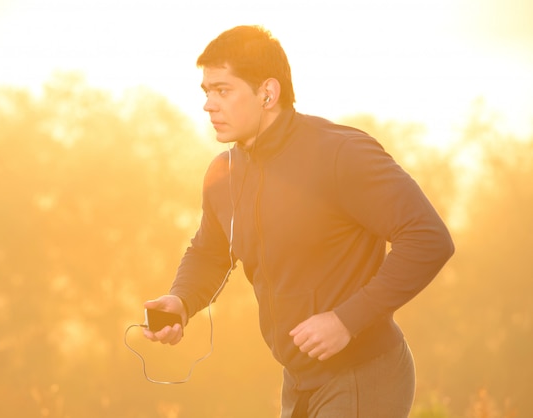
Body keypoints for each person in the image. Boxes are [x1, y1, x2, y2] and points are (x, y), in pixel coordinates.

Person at [142, 25, 455, 418]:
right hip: (297, 382)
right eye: (206, 92)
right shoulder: (224, 174)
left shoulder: (340, 153)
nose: (208, 105)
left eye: (223, 90)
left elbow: (428, 238)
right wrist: (181, 299)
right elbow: (210, 252)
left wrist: (346, 320)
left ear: (267, 93)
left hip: (363, 373)